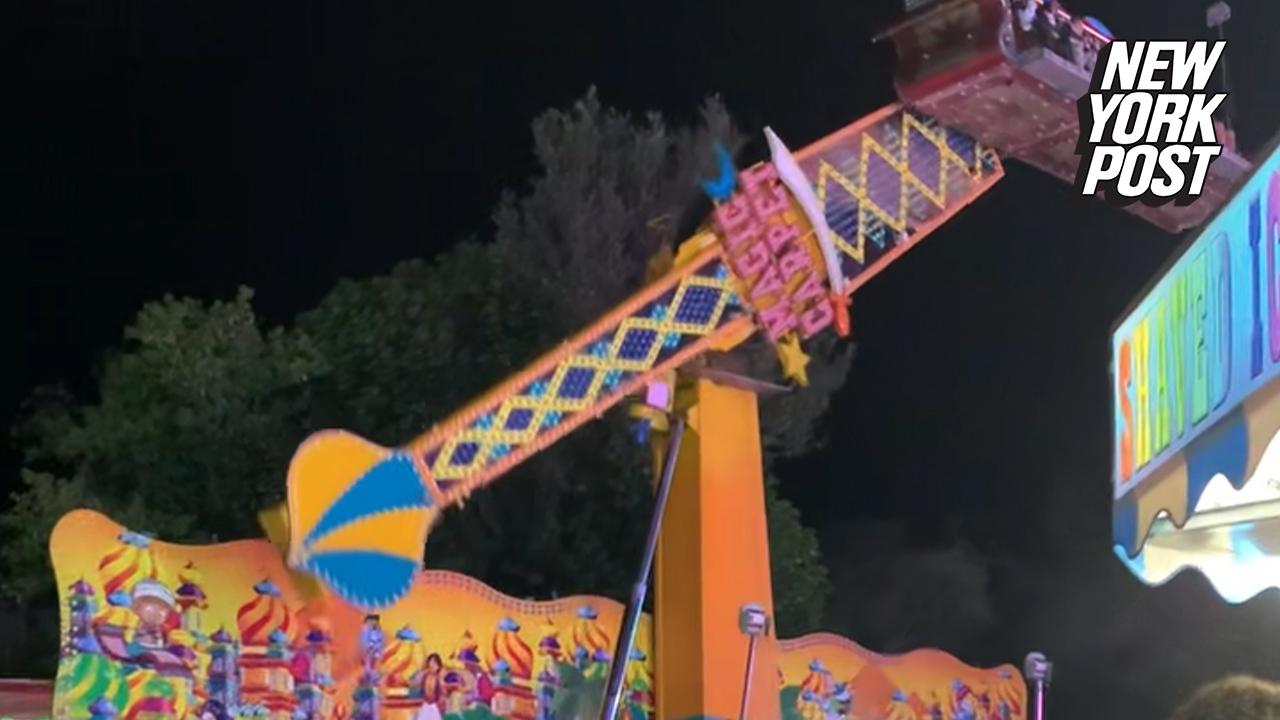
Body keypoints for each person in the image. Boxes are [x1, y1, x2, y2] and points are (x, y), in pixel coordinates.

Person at [415, 654, 446, 720]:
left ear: (438, 666)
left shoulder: (439, 678)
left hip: (434, 706)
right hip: (426, 705)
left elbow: (442, 694)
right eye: (431, 662)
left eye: (434, 663)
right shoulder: (425, 676)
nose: (432, 665)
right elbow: (417, 684)